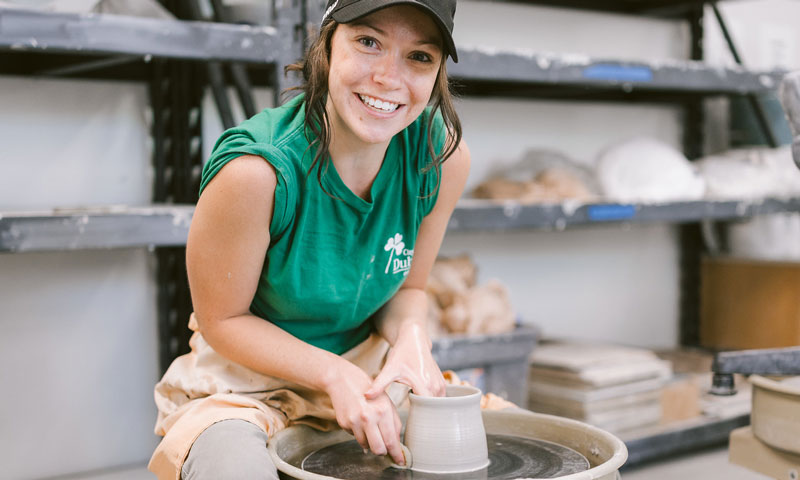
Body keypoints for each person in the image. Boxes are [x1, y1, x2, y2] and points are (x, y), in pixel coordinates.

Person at [148, 0, 469, 478]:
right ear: (326, 45)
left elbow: (409, 290)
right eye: (368, 42)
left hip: (369, 377)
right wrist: (332, 373)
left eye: (419, 56)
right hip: (246, 386)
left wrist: (412, 338)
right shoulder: (255, 174)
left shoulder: (438, 158)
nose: (388, 77)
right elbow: (223, 320)